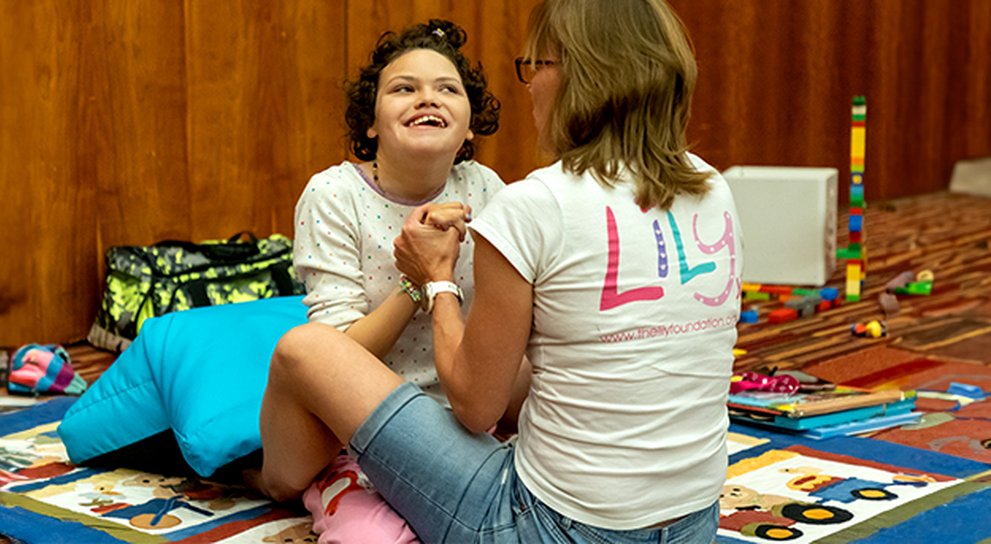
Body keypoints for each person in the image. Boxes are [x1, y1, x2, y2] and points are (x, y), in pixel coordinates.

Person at [255, 0, 741, 542]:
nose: (529, 86)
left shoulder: (519, 198)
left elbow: (473, 404)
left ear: (581, 76)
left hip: (545, 527)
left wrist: (433, 279)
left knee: (304, 348)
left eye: (537, 66)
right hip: (695, 524)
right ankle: (284, 477)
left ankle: (278, 480)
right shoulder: (711, 185)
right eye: (403, 89)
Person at [276, 19, 505, 543]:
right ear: (372, 123)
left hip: (462, 422)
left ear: (470, 126)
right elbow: (331, 357)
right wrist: (419, 280)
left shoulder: (484, 187)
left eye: (448, 89)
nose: (428, 99)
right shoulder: (334, 195)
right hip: (355, 429)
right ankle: (308, 486)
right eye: (404, 88)